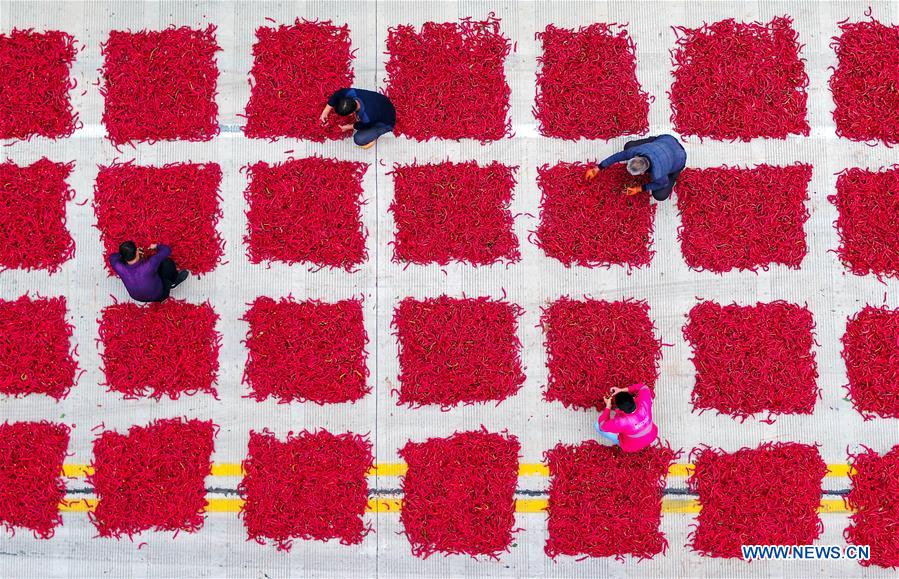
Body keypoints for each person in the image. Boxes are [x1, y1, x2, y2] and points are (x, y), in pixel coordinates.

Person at [585, 134, 687, 201]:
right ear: (636, 157)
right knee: (628, 146)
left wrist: (639, 188)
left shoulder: (658, 174)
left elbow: (662, 184)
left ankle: (673, 175)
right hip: (666, 140)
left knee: (660, 195)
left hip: (680, 157)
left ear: (643, 173)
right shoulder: (637, 151)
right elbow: (618, 156)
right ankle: (655, 143)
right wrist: (597, 168)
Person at [109, 241, 189, 303]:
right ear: (137, 252)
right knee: (167, 263)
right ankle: (173, 283)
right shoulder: (149, 265)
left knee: (150, 275)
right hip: (158, 295)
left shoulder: (118, 266)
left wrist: (124, 254)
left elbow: (112, 257)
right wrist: (156, 246)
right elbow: (167, 250)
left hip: (136, 297)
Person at [320, 87, 396, 149]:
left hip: (387, 121)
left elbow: (362, 126)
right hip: (383, 100)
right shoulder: (352, 93)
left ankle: (375, 135)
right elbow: (338, 94)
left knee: (359, 139)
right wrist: (325, 112)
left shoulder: (367, 117)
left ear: (351, 113)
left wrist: (348, 127)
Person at [595, 383, 658, 453]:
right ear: (632, 399)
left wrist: (608, 407)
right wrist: (622, 390)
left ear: (620, 410)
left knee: (597, 426)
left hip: (632, 446)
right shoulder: (644, 402)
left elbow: (602, 426)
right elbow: (643, 386)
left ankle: (621, 443)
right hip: (652, 436)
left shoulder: (621, 422)